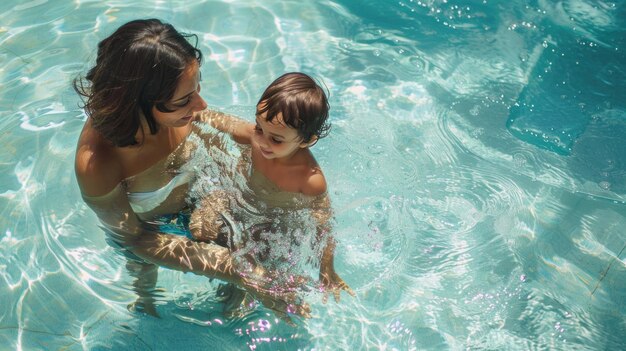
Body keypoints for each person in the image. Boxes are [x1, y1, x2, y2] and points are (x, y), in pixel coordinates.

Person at [73, 18, 309, 322]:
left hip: (202, 199)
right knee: (146, 291)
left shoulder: (182, 112)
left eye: (197, 89)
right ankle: (147, 306)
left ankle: (234, 307)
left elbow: (228, 131)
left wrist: (226, 188)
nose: (201, 104)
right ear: (136, 103)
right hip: (154, 233)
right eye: (185, 99)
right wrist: (232, 269)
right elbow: (131, 239)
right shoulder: (98, 164)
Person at [190, 73, 354, 304]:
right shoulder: (255, 137)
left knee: (253, 271)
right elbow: (213, 119)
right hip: (238, 198)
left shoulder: (309, 179)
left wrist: (326, 269)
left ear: (306, 141)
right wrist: (189, 114)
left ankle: (237, 299)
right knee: (201, 229)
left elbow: (323, 225)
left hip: (274, 223)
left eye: (276, 140)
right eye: (259, 128)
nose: (262, 141)